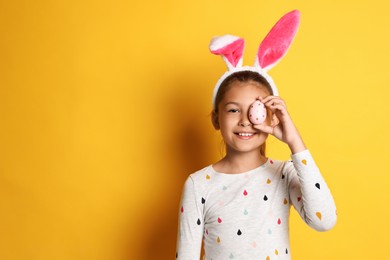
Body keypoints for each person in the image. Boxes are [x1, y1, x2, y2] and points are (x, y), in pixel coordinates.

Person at [176, 10, 337, 260]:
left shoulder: (284, 173)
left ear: (272, 117)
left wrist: (295, 142)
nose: (244, 120)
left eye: (256, 109)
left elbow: (324, 220)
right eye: (232, 110)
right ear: (216, 119)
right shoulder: (199, 185)